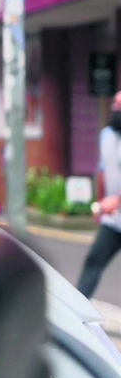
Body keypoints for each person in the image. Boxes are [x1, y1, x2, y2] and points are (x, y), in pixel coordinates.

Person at [77, 90, 121, 298]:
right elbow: (102, 170)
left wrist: (118, 199)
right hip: (114, 220)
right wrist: (99, 202)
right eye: (115, 104)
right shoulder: (107, 135)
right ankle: (76, 316)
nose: (116, 110)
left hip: (116, 207)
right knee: (93, 262)